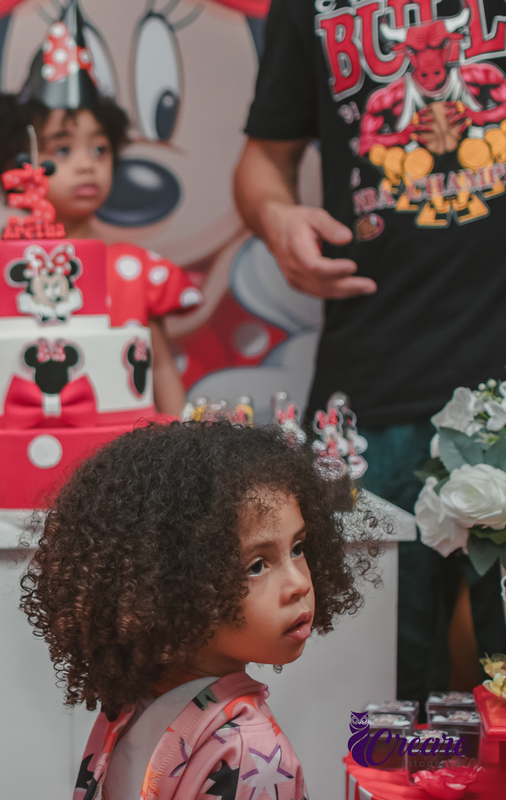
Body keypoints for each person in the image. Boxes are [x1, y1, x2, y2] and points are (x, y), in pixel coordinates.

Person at [233, 0, 506, 704]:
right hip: (372, 396)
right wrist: (277, 215)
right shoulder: (307, 8)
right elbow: (264, 160)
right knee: (377, 699)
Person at [21, 422, 377, 799]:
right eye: (257, 565)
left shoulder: (127, 710)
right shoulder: (250, 753)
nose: (300, 584)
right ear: (175, 583)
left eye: (298, 548)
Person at [0, 7, 201, 416]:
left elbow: (159, 366)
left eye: (99, 148)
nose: (86, 164)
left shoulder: (132, 270)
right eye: (62, 148)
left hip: (127, 451)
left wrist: (188, 444)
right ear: (21, 158)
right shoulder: (0, 270)